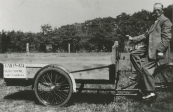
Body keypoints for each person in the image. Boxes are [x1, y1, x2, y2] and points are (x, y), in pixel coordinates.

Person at [126, 3, 172, 100]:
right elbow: (145, 35)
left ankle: (151, 92)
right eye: (155, 9)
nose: (156, 11)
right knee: (133, 54)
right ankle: (140, 75)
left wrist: (160, 50)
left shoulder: (165, 21)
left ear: (162, 10)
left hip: (157, 50)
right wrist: (132, 39)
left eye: (158, 9)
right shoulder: (154, 22)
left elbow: (167, 37)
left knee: (146, 69)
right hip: (149, 48)